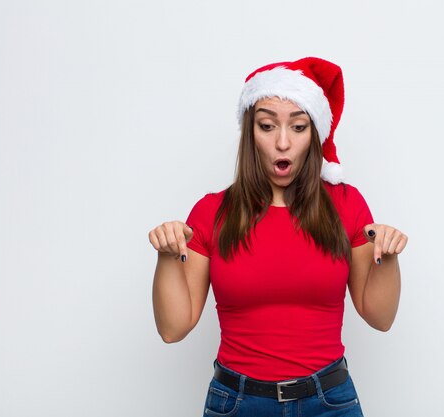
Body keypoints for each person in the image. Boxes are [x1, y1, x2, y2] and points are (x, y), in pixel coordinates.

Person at [148, 57, 408, 417]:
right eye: (267, 126)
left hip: (329, 402)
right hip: (237, 402)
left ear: (314, 133)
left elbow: (380, 318)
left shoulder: (346, 204)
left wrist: (388, 256)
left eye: (298, 127)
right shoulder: (211, 213)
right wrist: (166, 254)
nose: (282, 142)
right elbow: (173, 329)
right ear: (250, 132)